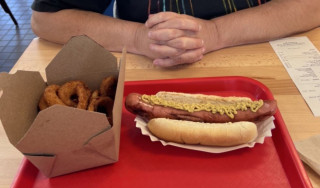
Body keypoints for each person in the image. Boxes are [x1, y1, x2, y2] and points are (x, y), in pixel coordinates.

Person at [31, 0, 320, 67]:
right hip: (150, 71)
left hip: (275, 76)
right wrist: (137, 39)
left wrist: (217, 32)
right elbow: (47, 19)